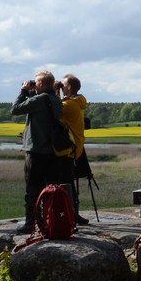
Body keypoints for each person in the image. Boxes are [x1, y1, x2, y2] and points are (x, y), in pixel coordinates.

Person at [11, 70, 62, 233]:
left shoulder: (39, 100)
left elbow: (16, 109)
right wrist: (31, 94)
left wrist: (24, 91)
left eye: (35, 82)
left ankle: (31, 223)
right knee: (51, 189)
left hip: (35, 151)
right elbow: (36, 106)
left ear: (40, 84)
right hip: (53, 151)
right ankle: (51, 220)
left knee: (33, 189)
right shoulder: (56, 100)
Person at [56, 74, 90, 226]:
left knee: (65, 182)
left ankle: (71, 214)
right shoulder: (78, 101)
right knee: (68, 181)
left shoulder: (69, 104)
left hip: (67, 149)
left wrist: (54, 91)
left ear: (69, 87)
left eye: (63, 85)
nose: (62, 88)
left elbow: (54, 111)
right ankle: (73, 213)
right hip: (74, 148)